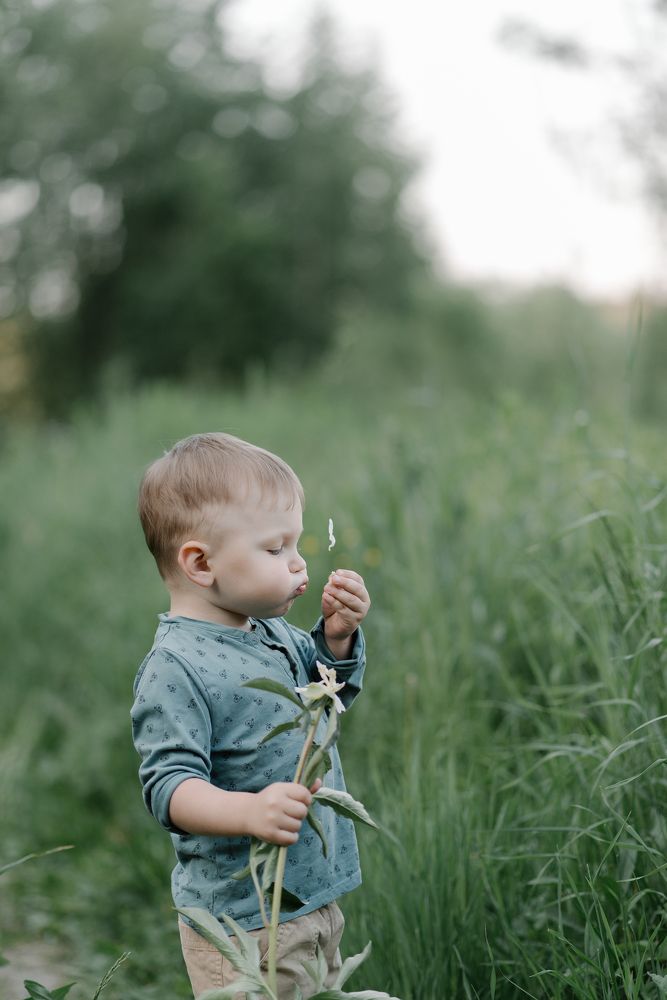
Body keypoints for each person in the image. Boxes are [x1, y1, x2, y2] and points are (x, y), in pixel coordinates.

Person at [131, 432, 371, 999]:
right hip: (244, 922)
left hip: (310, 895)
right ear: (201, 563)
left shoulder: (271, 631)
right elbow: (170, 788)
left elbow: (326, 695)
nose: (298, 562)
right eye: (275, 549)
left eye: (296, 544)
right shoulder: (175, 667)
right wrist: (249, 811)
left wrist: (336, 638)